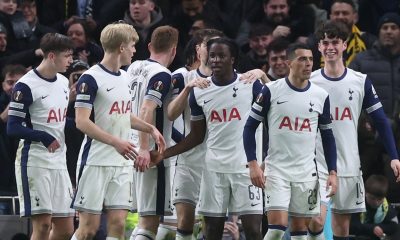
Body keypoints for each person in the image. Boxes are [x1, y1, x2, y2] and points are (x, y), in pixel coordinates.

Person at [152, 37, 265, 240]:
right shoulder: (199, 91)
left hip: (245, 169)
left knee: (254, 231)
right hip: (213, 170)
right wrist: (164, 154)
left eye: (222, 56)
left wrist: (263, 75)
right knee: (212, 232)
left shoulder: (250, 84)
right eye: (212, 55)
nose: (216, 60)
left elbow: (281, 103)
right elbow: (196, 136)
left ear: (233, 59)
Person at [70, 22, 166, 240]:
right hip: (95, 161)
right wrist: (115, 142)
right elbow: (82, 122)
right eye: (132, 45)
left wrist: (150, 128)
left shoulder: (124, 77)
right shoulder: (90, 78)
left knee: (118, 224)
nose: (134, 50)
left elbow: (123, 115)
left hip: (121, 162)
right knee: (88, 229)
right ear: (122, 47)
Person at [307, 20, 400, 240]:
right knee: (316, 219)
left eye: (335, 42)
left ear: (344, 45)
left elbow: (380, 120)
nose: (330, 47)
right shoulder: (310, 81)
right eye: (325, 42)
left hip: (349, 165)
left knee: (341, 229)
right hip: (316, 164)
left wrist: (394, 156)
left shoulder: (360, 81)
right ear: (319, 47)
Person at [243, 43, 337, 240]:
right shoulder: (271, 91)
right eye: (302, 59)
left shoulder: (321, 96)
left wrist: (332, 172)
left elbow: (328, 137)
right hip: (277, 170)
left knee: (300, 233)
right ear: (289, 63)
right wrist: (253, 164)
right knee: (277, 228)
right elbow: (249, 127)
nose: (308, 64)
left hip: (306, 172)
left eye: (311, 59)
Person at [6, 33, 74, 240]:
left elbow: (58, 119)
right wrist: (42, 136)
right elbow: (13, 127)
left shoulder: (63, 82)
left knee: (65, 230)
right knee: (43, 226)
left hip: (59, 161)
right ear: (52, 56)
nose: (71, 61)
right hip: (34, 160)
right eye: (67, 56)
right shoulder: (25, 85)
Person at [126, 25, 178, 240]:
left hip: (128, 146)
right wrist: (146, 148)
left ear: (149, 46)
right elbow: (147, 108)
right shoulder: (163, 75)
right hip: (150, 154)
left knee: (146, 221)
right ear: (174, 50)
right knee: (149, 222)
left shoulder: (133, 67)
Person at [349, 13, 400, 202]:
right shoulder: (362, 60)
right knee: (354, 180)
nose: (389, 31)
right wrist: (363, 121)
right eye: (384, 28)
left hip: (397, 135)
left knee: (395, 185)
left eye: (394, 27)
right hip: (368, 134)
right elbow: (349, 94)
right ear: (378, 32)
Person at [308, 0, 377, 70]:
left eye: (345, 13)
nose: (340, 17)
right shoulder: (317, 41)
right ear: (330, 17)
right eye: (336, 13)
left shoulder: (369, 42)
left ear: (355, 17)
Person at [350, 175, 398, 240]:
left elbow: (394, 226)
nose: (376, 202)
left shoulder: (386, 207)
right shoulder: (356, 205)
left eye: (380, 199)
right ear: (365, 193)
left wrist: (379, 228)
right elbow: (352, 226)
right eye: (372, 198)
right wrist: (372, 228)